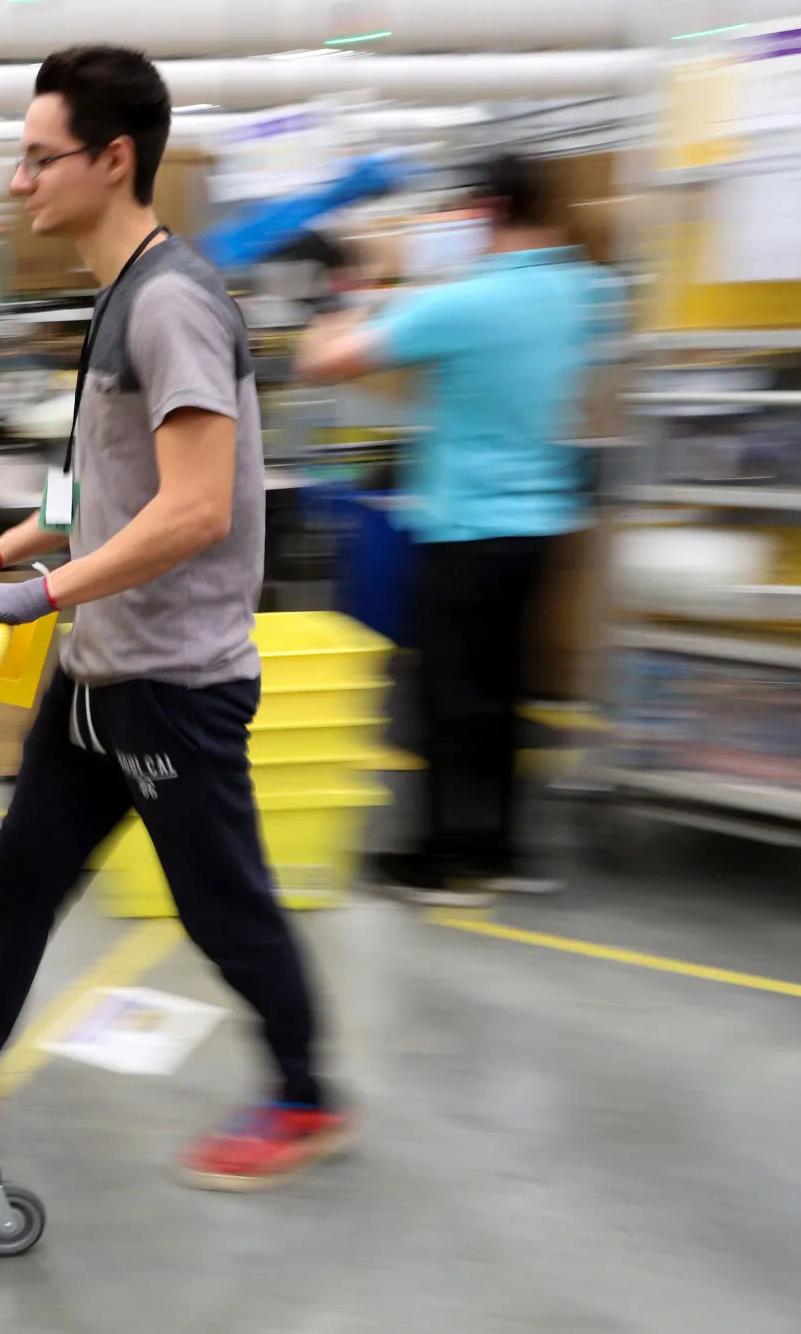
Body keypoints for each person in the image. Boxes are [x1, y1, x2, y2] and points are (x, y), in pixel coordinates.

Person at [0, 46, 349, 1191]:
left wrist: (35, 595)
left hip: (170, 682)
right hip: (95, 674)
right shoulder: (119, 291)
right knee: (16, 876)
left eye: (39, 157)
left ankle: (305, 1094)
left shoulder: (171, 303)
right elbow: (99, 485)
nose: (19, 180)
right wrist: (7, 544)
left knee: (223, 906)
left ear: (111, 159)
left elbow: (190, 509)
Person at [295, 154, 616, 907]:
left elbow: (325, 362)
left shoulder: (470, 300)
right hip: (543, 524)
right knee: (505, 692)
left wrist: (350, 290)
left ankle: (445, 859)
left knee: (448, 696)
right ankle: (505, 849)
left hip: (466, 525)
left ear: (489, 208)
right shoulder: (589, 289)